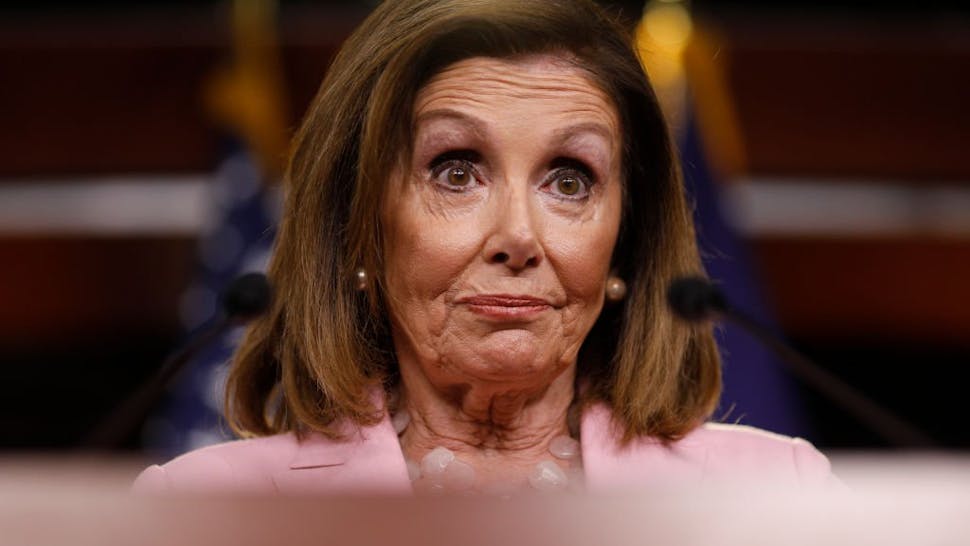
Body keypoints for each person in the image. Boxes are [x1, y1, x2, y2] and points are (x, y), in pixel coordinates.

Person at [134, 0, 836, 496]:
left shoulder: (778, 496)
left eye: (570, 180)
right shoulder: (206, 508)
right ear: (361, 228)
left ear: (626, 244)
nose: (519, 238)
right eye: (457, 171)